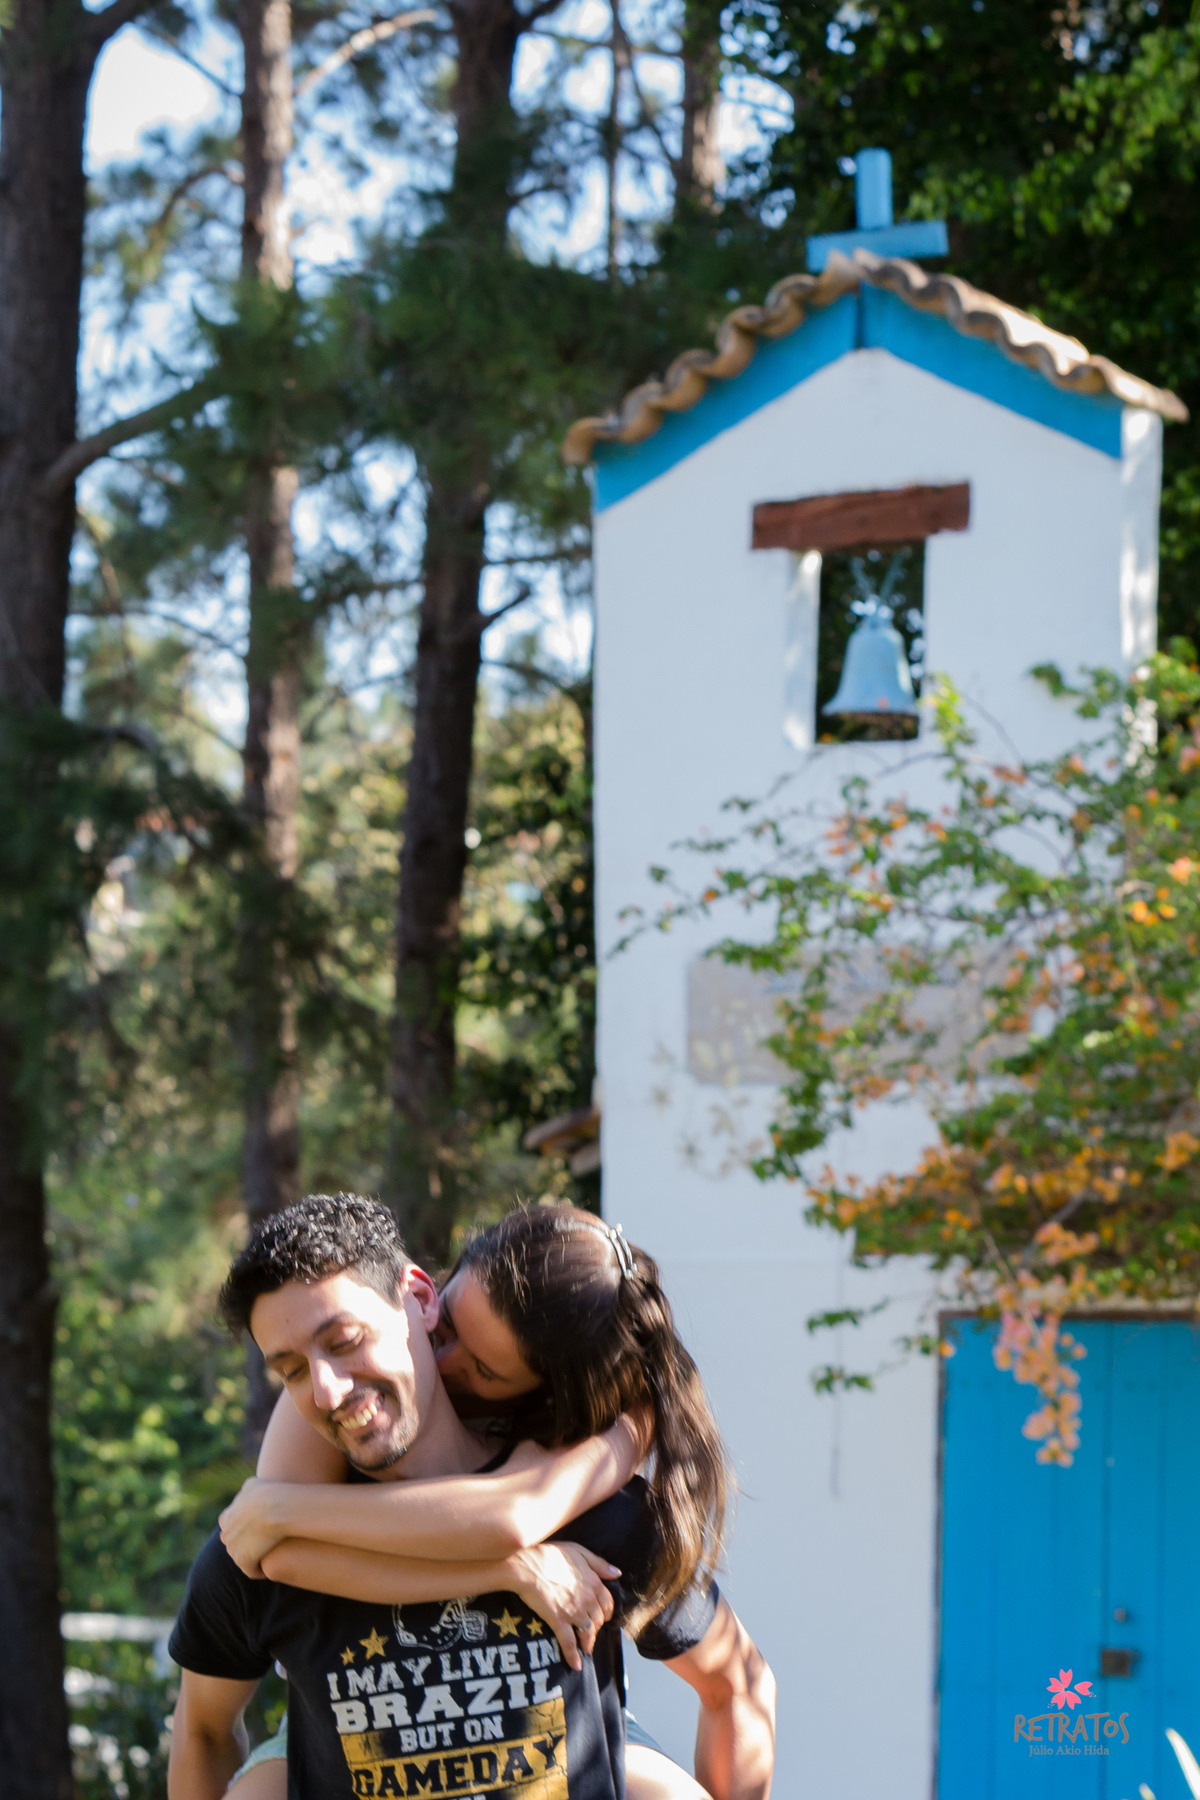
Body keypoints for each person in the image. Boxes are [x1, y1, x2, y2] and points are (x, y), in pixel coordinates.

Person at [168, 1195, 775, 1800]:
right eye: (291, 1370)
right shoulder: (276, 1508)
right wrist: (509, 1567)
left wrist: (625, 1436)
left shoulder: (585, 1501)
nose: (326, 1389)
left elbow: (738, 1685)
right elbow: (205, 1721)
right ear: (431, 1297)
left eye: (347, 1339)